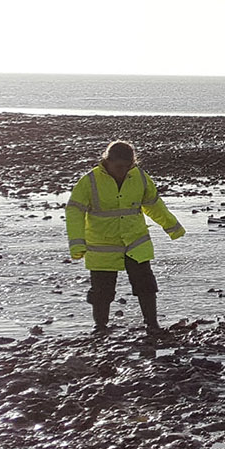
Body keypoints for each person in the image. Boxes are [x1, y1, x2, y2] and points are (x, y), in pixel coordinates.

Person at [65, 141, 184, 336]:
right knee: (101, 291)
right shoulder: (90, 181)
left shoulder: (140, 178)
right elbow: (74, 211)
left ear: (132, 163)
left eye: (127, 166)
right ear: (107, 161)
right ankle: (100, 327)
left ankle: (152, 325)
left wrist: (172, 227)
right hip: (102, 246)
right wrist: (77, 243)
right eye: (118, 166)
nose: (122, 171)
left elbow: (153, 204)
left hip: (135, 243)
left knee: (146, 286)